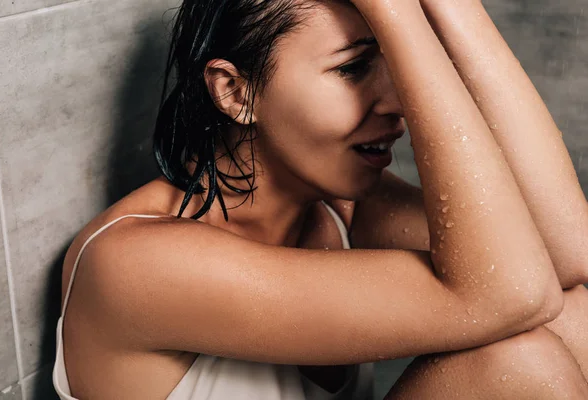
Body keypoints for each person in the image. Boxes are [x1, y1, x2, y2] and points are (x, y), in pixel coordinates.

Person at [53, 0, 588, 398]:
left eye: (395, 63)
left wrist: (451, 7)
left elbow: (565, 257)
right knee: (523, 361)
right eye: (353, 68)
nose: (401, 102)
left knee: (578, 321)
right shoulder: (137, 265)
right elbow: (515, 293)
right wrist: (394, 12)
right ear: (237, 92)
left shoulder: (338, 207)